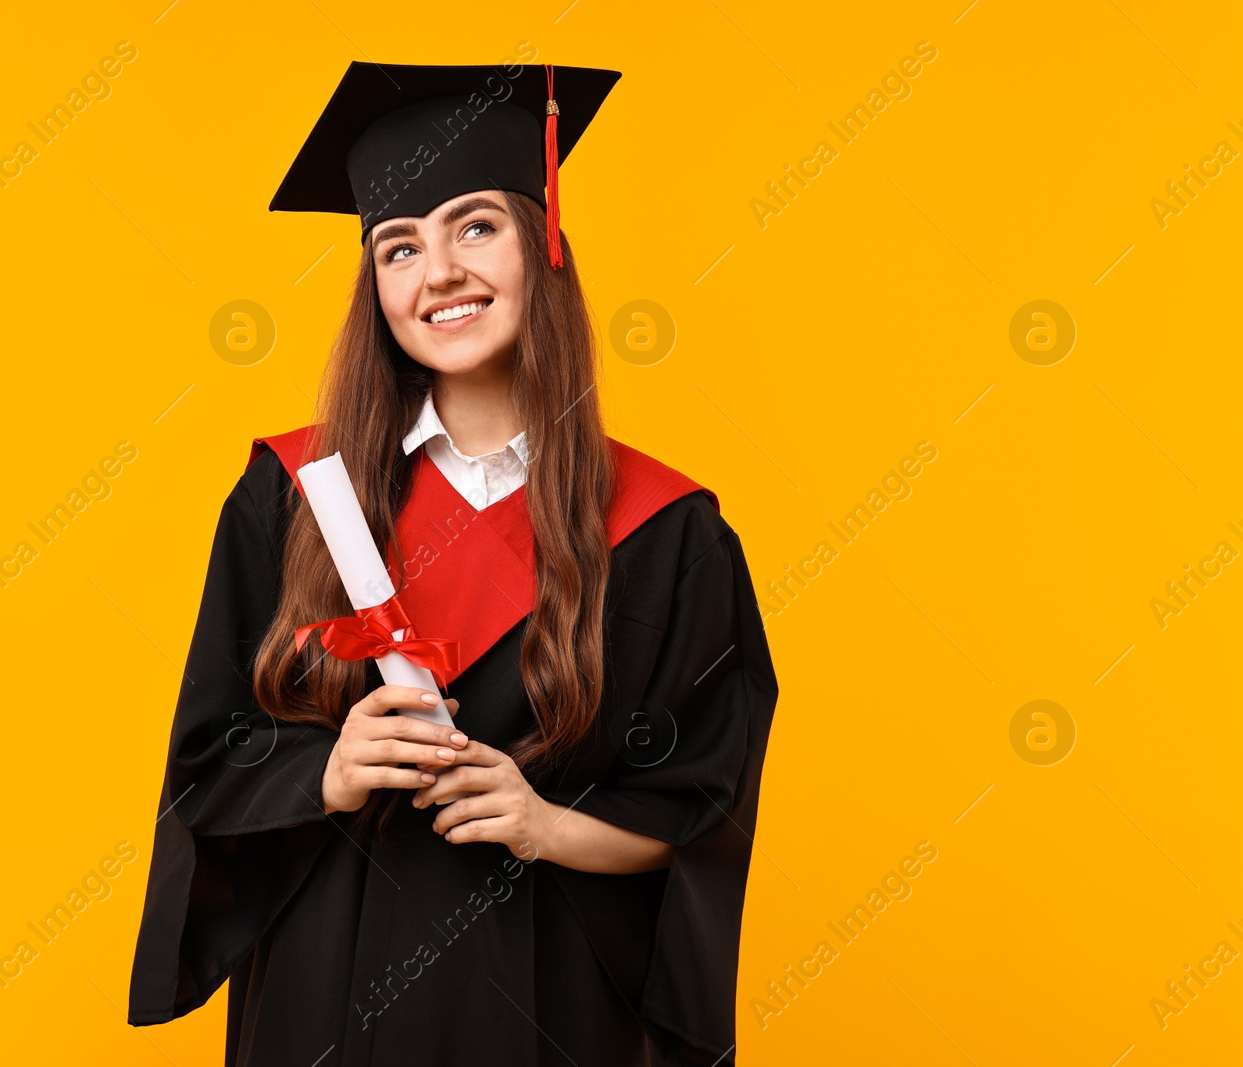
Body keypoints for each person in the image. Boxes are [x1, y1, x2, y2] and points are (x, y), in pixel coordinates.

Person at [128, 60, 779, 1067]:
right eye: (398, 247)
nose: (436, 272)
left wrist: (543, 823)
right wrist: (330, 769)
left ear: (543, 239)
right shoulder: (291, 496)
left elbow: (695, 808)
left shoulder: (664, 531)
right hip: (321, 1001)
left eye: (474, 224)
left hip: (554, 1002)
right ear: (375, 283)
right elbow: (209, 762)